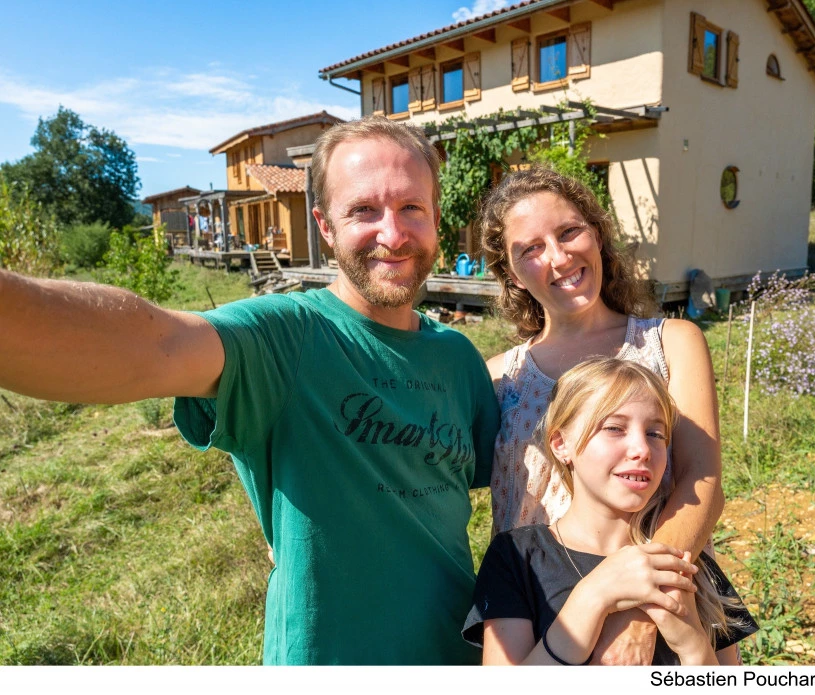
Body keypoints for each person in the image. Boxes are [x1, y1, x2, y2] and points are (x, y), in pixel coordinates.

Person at [0, 116, 500, 665]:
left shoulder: (457, 358)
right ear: (325, 226)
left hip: (461, 653)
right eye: (364, 210)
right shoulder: (287, 337)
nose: (393, 232)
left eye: (412, 208)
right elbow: (154, 345)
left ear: (436, 218)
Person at [478, 168, 726, 662]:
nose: (559, 255)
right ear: (510, 274)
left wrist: (637, 611)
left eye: (570, 231)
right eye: (530, 248)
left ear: (596, 233)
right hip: (532, 612)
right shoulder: (497, 379)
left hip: (665, 609)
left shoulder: (670, 343)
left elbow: (703, 482)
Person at [464, 358, 756, 664]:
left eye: (656, 434)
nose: (642, 449)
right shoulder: (517, 558)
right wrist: (590, 599)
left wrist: (693, 644)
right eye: (615, 428)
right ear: (561, 443)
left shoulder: (692, 567)